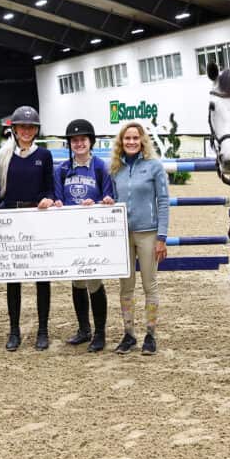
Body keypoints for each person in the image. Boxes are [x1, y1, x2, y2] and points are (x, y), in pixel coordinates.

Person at [0, 105, 55, 351]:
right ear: (15, 129)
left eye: (31, 127)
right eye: (22, 127)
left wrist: (48, 199)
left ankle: (43, 330)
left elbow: (50, 188)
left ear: (36, 130)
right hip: (13, 219)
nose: (26, 131)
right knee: (13, 278)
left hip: (37, 218)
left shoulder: (44, 156)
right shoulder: (4, 156)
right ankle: (14, 330)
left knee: (42, 277)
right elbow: (1, 192)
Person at [53, 119, 116, 352]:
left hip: (92, 232)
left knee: (94, 281)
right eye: (74, 140)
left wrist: (98, 202)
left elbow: (108, 198)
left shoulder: (101, 167)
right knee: (77, 280)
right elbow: (58, 198)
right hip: (71, 231)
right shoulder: (61, 169)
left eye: (83, 140)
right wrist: (57, 203)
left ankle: (99, 333)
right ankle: (83, 329)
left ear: (91, 142)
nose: (79, 144)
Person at [109, 122, 168, 355]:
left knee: (149, 285)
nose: (131, 142)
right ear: (121, 142)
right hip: (122, 234)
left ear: (142, 140)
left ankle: (150, 334)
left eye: (135, 138)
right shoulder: (115, 168)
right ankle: (129, 333)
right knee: (126, 286)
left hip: (148, 233)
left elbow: (163, 201)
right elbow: (112, 198)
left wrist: (162, 236)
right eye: (127, 138)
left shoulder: (154, 167)